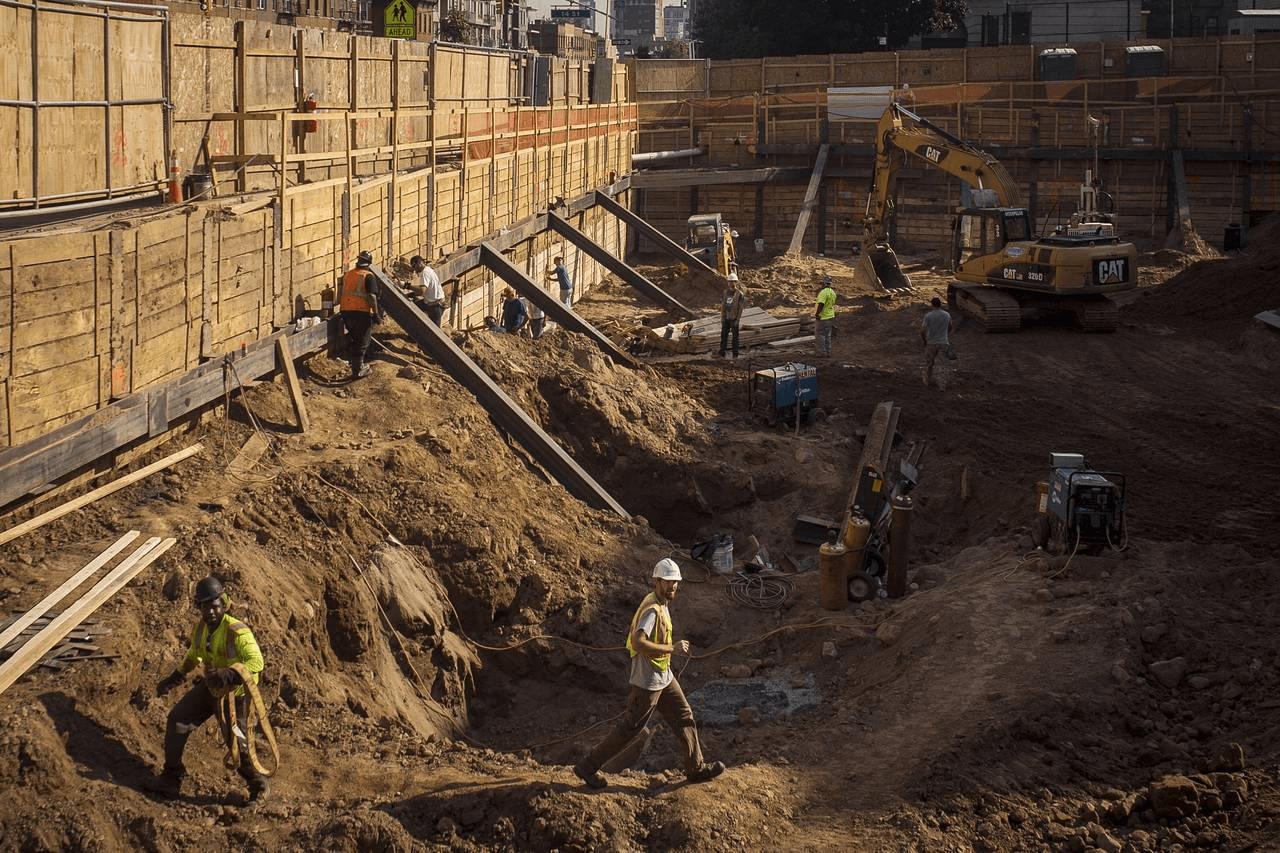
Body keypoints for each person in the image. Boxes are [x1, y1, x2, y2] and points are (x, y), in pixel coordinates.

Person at [573, 558, 725, 790]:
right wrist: (671, 649)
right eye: (668, 581)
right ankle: (587, 766)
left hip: (663, 676)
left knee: (684, 716)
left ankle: (695, 768)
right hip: (648, 682)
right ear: (658, 581)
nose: (673, 586)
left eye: (675, 582)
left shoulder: (661, 603)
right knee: (630, 728)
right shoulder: (652, 609)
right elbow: (639, 641)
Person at [149, 576, 268, 804]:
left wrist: (227, 674)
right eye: (205, 607)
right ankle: (171, 778)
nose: (211, 612)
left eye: (215, 606)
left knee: (237, 746)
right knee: (177, 720)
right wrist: (177, 676)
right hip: (211, 690)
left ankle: (258, 785)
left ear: (223, 605)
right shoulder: (201, 630)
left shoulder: (237, 632)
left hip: (235, 696)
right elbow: (195, 654)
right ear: (199, 607)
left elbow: (257, 662)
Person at [337, 250, 381, 379]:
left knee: (355, 339)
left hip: (345, 312)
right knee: (362, 342)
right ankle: (357, 370)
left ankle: (355, 364)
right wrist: (376, 314)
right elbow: (372, 297)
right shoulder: (368, 276)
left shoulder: (349, 274)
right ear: (369, 264)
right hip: (361, 313)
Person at [920, 296, 954, 389]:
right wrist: (945, 334)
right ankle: (942, 386)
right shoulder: (947, 315)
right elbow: (950, 326)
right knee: (942, 365)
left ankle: (927, 382)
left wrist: (924, 340)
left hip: (931, 342)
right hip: (943, 342)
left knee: (929, 364)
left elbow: (923, 330)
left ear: (932, 305)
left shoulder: (928, 316)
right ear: (940, 304)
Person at [718, 272, 747, 358]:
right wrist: (722, 317)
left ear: (736, 282)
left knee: (735, 338)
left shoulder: (739, 294)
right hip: (726, 318)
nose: (731, 283)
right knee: (723, 336)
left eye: (733, 281)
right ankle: (722, 353)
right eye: (729, 281)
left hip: (734, 318)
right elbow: (723, 305)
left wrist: (737, 320)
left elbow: (740, 308)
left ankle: (735, 354)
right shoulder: (725, 292)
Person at [410, 254, 445, 326]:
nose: (414, 269)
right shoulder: (428, 269)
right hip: (434, 301)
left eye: (414, 266)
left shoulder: (424, 273)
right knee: (413, 307)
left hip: (435, 306)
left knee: (435, 332)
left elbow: (421, 291)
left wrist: (408, 286)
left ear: (419, 263)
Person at [814, 274, 837, 357]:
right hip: (830, 317)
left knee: (820, 335)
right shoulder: (832, 292)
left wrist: (817, 314)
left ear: (823, 283)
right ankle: (828, 352)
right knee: (828, 335)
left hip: (822, 317)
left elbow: (821, 303)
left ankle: (821, 353)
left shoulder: (823, 293)